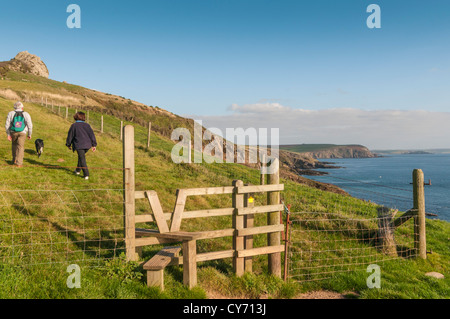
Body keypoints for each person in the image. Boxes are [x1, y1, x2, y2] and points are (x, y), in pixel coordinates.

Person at [66, 111, 97, 180]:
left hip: (79, 145)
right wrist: (94, 145)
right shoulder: (87, 125)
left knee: (82, 159)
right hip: (87, 145)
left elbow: (70, 136)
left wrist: (68, 144)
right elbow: (92, 135)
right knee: (81, 157)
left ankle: (86, 174)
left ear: (76, 117)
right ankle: (77, 170)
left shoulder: (74, 126)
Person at [5, 101, 33, 167]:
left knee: (14, 145)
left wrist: (8, 134)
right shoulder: (26, 114)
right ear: (22, 107)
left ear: (14, 107)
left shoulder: (10, 113)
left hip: (13, 132)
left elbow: (7, 125)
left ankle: (14, 160)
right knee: (20, 147)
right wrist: (29, 134)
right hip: (22, 132)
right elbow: (30, 125)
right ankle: (19, 163)